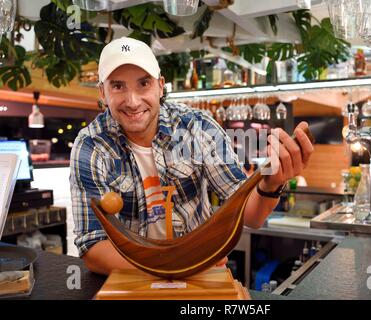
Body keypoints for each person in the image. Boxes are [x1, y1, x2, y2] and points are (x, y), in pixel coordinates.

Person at [70, 37, 314, 275]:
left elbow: (250, 216)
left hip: (200, 276)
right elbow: (93, 248)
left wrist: (271, 184)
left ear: (160, 85)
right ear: (102, 92)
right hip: (134, 281)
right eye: (117, 86)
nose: (132, 101)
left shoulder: (197, 127)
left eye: (143, 83)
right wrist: (178, 267)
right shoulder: (91, 146)